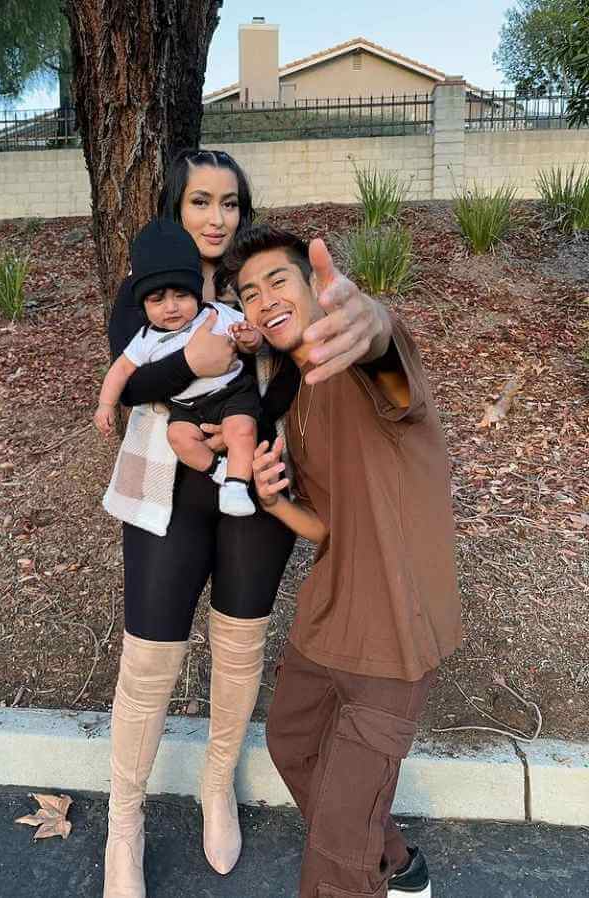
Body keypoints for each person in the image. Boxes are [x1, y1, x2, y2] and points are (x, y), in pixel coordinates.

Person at [222, 224, 464, 898]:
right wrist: (274, 502)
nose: (264, 298)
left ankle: (362, 864)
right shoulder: (296, 400)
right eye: (249, 292)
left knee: (336, 845)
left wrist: (375, 324)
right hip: (327, 623)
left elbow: (387, 355)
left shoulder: (360, 365)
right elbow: (325, 524)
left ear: (313, 287)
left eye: (278, 280)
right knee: (292, 745)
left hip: (392, 637)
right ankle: (398, 863)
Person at [98, 149, 299, 898]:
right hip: (166, 490)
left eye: (231, 203)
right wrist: (189, 380)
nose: (218, 218)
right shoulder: (147, 286)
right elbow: (129, 379)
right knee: (149, 658)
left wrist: (237, 431)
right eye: (201, 203)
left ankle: (217, 784)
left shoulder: (259, 276)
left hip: (251, 485)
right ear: (175, 209)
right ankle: (126, 826)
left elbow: (293, 368)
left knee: (240, 643)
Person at [95, 218, 264, 517]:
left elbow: (247, 339)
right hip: (187, 407)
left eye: (181, 296)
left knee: (242, 429)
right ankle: (220, 470)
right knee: (178, 438)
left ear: (196, 293)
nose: (171, 307)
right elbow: (121, 370)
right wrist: (105, 405)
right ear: (144, 305)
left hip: (231, 392)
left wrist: (250, 339)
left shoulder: (213, 314)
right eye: (158, 300)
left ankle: (237, 486)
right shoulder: (145, 338)